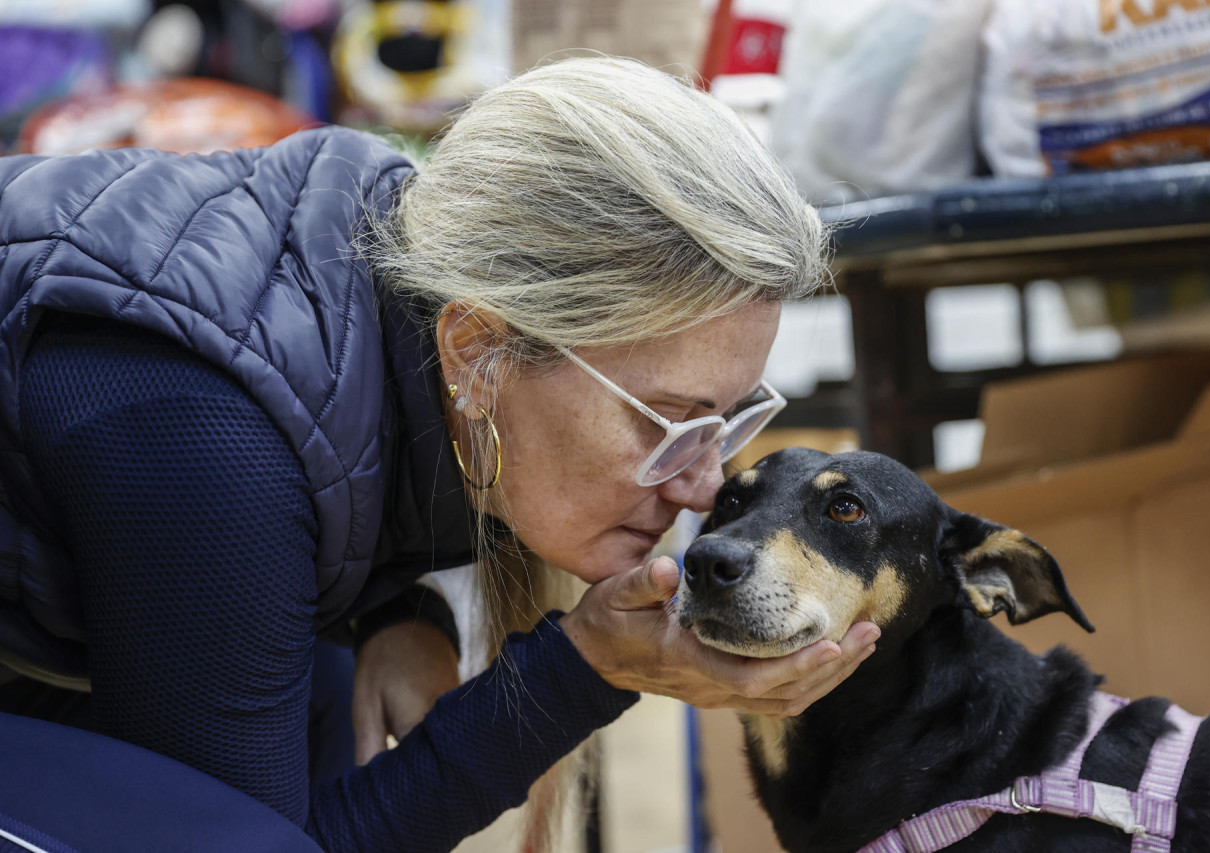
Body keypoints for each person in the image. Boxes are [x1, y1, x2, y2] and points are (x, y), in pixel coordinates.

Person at [0, 57, 880, 851]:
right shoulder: (209, 441)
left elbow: (361, 433)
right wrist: (586, 667)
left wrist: (398, 608)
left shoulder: (397, 261)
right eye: (662, 420)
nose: (699, 487)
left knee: (323, 695)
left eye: (724, 421)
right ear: (475, 349)